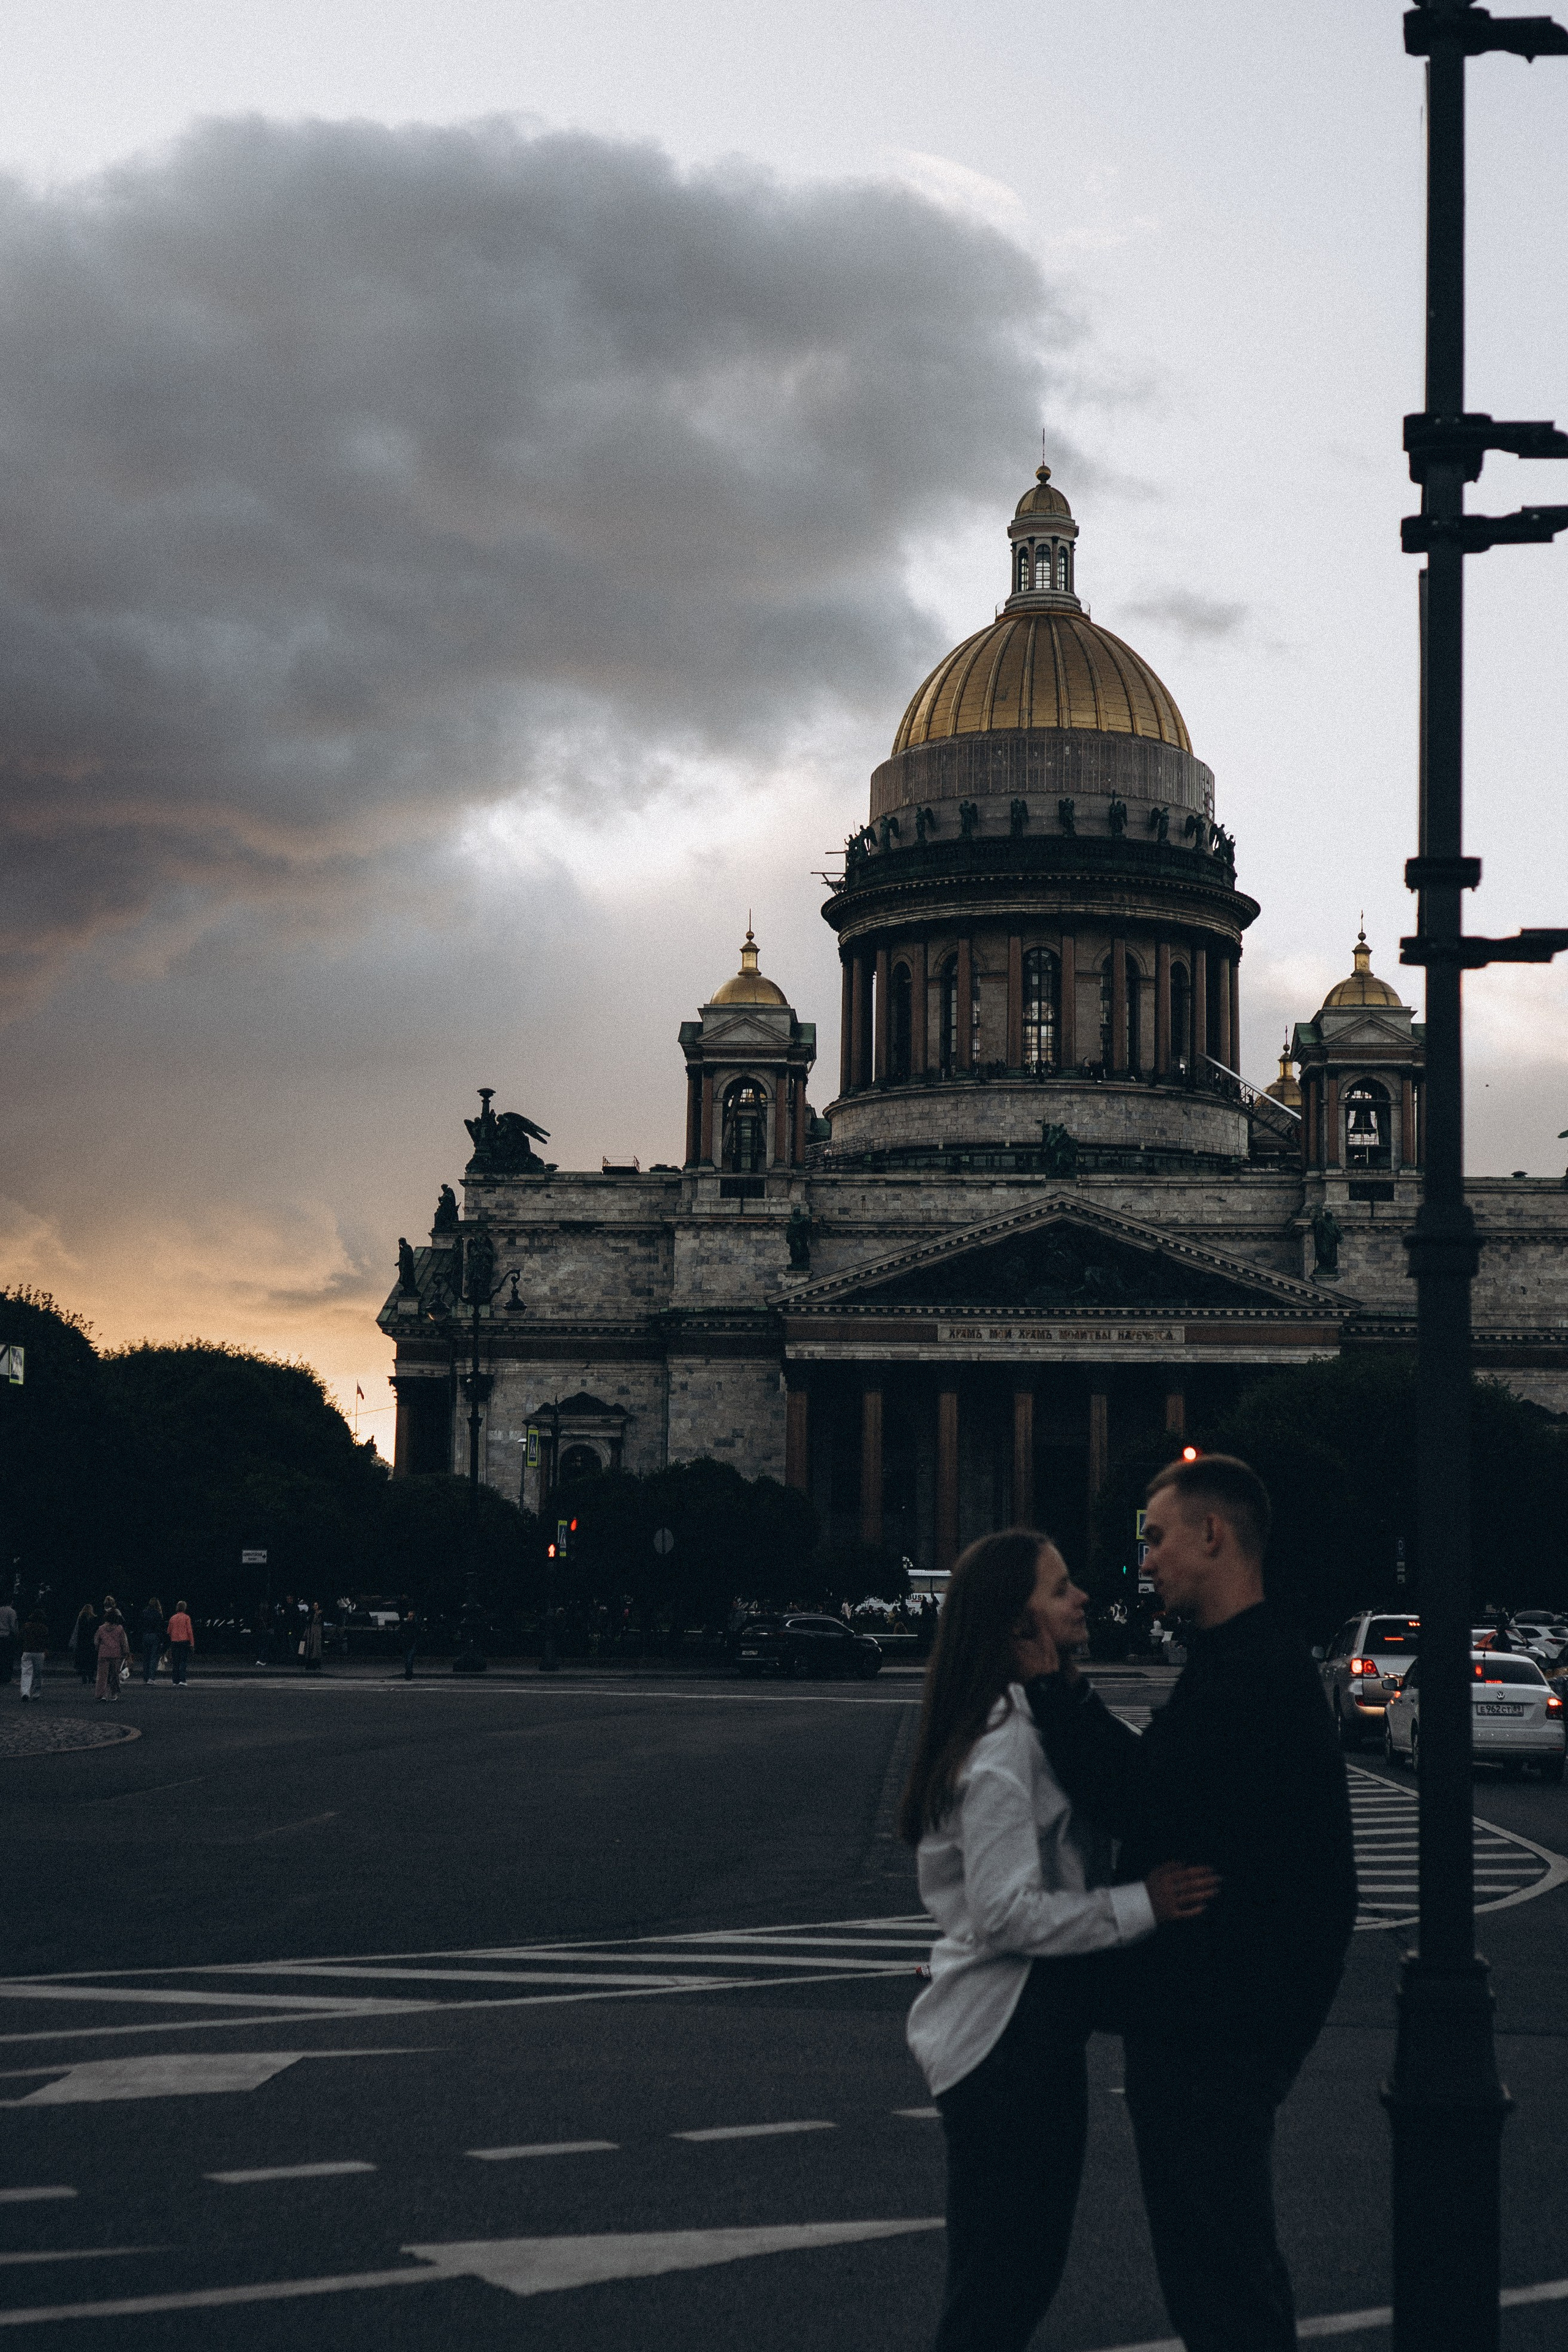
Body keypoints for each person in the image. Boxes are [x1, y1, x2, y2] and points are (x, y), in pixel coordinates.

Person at [1024, 1454, 1357, 2352]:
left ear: (1214, 1535)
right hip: (1225, 2023)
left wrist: (1058, 1690)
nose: (1147, 1558)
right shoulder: (1248, 1660)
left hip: (1216, 2031)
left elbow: (1139, 1794)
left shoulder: (1252, 1673)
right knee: (1222, 2269)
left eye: (1160, 1536)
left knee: (1218, 2281)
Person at [900, 1528, 1219, 2352]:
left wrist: (1068, 1686)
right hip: (1006, 2035)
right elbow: (1006, 1913)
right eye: (1059, 1587)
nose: (1081, 1597)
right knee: (1003, 2287)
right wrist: (1138, 1906)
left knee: (1009, 2279)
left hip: (1018, 2033)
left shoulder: (1018, 1717)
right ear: (1016, 1626)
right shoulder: (1004, 1746)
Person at [94, 1605, 130, 1701]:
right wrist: (126, 1653)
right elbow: (124, 1642)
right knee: (114, 1676)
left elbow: (96, 1642)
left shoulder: (101, 1628)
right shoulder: (120, 1629)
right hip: (116, 1654)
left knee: (102, 1676)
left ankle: (102, 1695)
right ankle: (113, 1694)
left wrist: (98, 1649)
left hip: (103, 1654)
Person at [18, 1603, 50, 1699]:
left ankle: (25, 1692)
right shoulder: (44, 1628)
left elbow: (20, 1638)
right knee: (38, 1673)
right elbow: (46, 1641)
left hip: (27, 1651)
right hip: (39, 1652)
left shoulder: (26, 1626)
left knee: (26, 1673)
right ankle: (36, 1693)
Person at [166, 1601, 195, 1686]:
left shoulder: (173, 1618)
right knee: (183, 1661)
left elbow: (169, 1631)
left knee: (175, 1662)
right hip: (184, 1642)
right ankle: (183, 1680)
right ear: (185, 1608)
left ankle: (175, 1681)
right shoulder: (187, 1618)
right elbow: (189, 1631)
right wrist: (192, 1643)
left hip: (174, 1642)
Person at [70, 1601, 99, 1685]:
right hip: (91, 1643)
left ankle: (84, 1678)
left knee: (82, 1661)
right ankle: (91, 1677)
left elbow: (78, 1632)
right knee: (91, 1661)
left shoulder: (81, 1618)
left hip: (82, 1643)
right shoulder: (94, 1619)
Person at [140, 1596, 165, 1684]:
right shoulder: (158, 1614)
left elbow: (141, 1625)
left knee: (146, 1658)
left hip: (146, 1635)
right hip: (155, 1636)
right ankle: (151, 1678)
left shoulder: (144, 1613)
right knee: (154, 1658)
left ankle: (145, 1678)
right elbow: (160, 1628)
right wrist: (161, 1640)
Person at [0, 1596, 17, 1687]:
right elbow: (13, 1625)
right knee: (8, 1658)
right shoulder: (11, 1611)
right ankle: (7, 1677)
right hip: (7, 1636)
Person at [304, 1602, 324, 1672]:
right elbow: (308, 1621)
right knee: (310, 1648)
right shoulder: (311, 1613)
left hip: (317, 1633)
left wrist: (317, 1614)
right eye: (314, 1605)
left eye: (317, 1605)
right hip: (311, 1633)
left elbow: (317, 1621)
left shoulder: (320, 1614)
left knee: (316, 1649)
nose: (315, 1607)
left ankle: (316, 1664)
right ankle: (310, 1664)